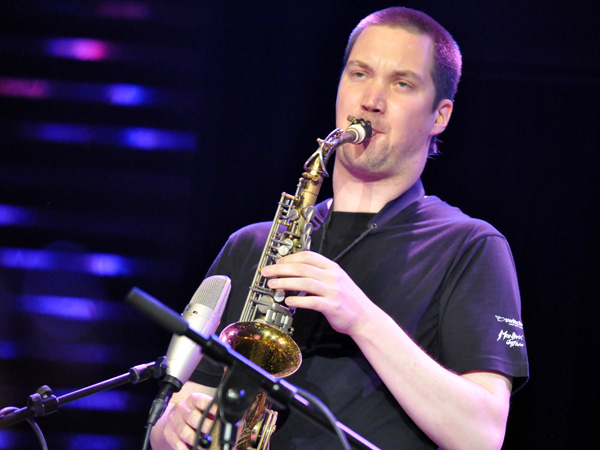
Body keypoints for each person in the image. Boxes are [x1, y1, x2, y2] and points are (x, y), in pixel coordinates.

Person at [150, 6, 529, 450]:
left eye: (401, 83)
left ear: (440, 116)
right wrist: (173, 429)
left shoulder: (472, 246)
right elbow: (182, 411)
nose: (371, 100)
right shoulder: (251, 244)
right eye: (359, 74)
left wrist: (363, 319)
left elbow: (482, 434)